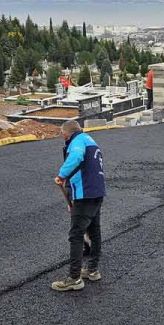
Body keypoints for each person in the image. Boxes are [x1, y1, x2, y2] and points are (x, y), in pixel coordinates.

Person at [51, 120, 106, 291]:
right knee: (94, 232)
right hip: (97, 192)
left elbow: (76, 158)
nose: (62, 137)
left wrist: (61, 175)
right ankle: (92, 270)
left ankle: (74, 278)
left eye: (62, 134)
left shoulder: (77, 142)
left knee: (76, 235)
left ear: (66, 132)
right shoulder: (90, 140)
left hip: (85, 194)